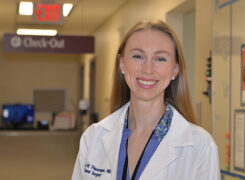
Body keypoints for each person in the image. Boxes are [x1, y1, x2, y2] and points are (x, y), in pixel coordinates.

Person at [72, 19, 220, 180]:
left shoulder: (201, 146)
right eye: (138, 56)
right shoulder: (93, 137)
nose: (148, 69)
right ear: (122, 64)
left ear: (175, 70)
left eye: (160, 59)